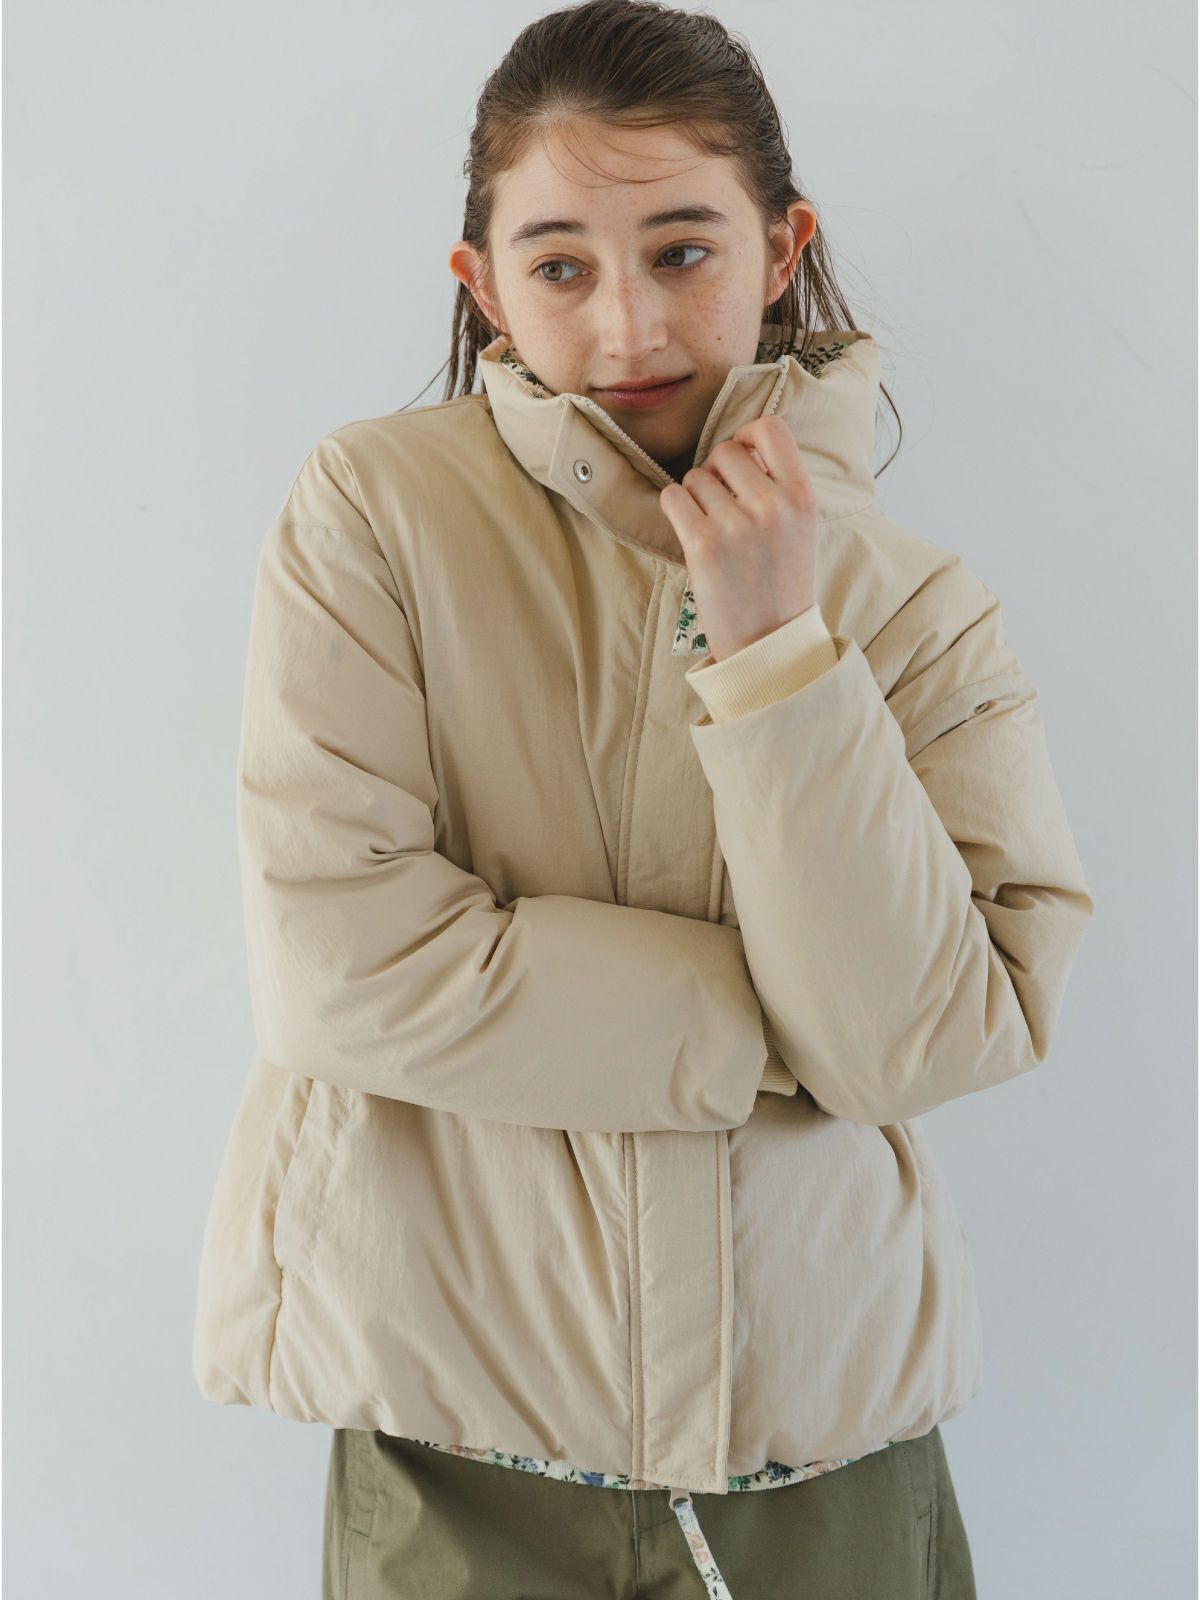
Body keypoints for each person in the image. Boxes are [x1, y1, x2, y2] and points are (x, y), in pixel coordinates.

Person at [190, 2, 1096, 1595]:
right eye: (561, 267)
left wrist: (779, 655)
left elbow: (928, 1043)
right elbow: (342, 972)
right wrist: (776, 1034)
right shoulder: (375, 516)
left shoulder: (915, 607)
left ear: (781, 248)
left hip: (825, 1459)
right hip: (454, 1452)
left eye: (683, 250)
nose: (629, 328)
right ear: (482, 287)